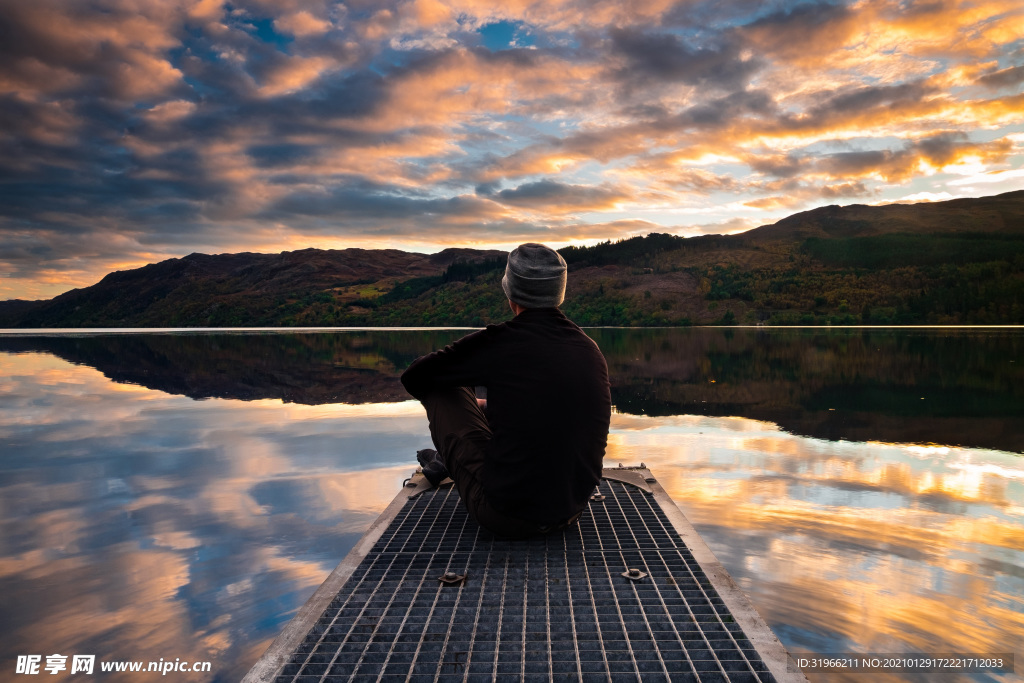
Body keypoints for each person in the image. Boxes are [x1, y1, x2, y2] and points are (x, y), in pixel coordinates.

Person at [400, 243, 611, 539]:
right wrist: (490, 405)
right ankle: (450, 460)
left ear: (511, 294)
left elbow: (415, 377)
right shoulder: (589, 349)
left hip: (506, 516)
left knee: (440, 386)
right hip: (571, 511)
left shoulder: (499, 343)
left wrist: (472, 397)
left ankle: (448, 461)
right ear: (559, 295)